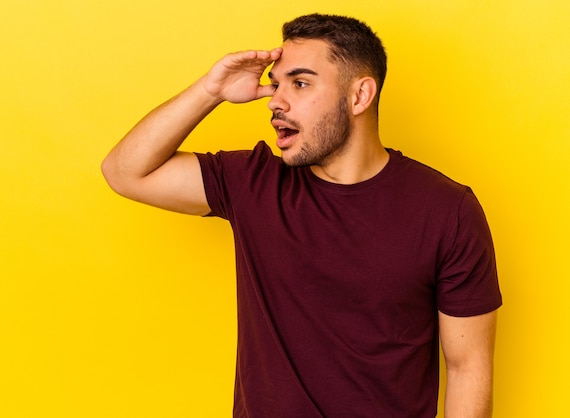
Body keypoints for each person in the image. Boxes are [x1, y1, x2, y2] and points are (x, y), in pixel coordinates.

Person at [102, 13, 502, 418]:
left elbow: (467, 366)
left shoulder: (448, 211)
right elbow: (125, 172)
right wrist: (211, 90)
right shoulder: (253, 183)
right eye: (276, 84)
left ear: (360, 95)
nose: (276, 100)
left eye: (301, 83)